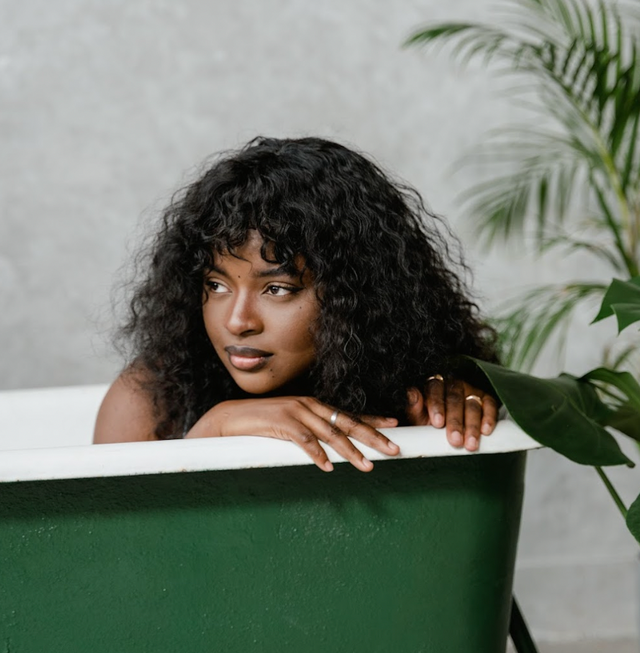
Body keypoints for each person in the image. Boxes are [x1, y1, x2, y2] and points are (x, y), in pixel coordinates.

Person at [94, 136, 499, 472]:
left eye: (277, 290)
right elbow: (113, 559)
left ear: (356, 297)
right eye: (216, 285)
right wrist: (212, 430)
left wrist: (452, 415)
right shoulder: (151, 397)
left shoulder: (418, 395)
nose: (237, 322)